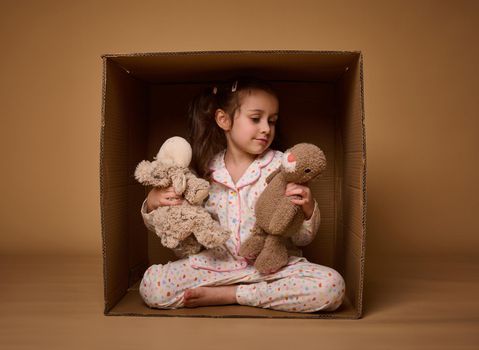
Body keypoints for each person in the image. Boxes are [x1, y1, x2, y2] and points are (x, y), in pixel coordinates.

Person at [139, 77, 346, 313]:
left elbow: (301, 239)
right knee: (152, 286)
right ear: (223, 119)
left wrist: (308, 209)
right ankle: (230, 288)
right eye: (256, 119)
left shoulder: (283, 166)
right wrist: (153, 204)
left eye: (272, 121)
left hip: (270, 268)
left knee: (331, 286)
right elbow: (183, 234)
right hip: (215, 265)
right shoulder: (204, 172)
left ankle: (234, 295)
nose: (266, 128)